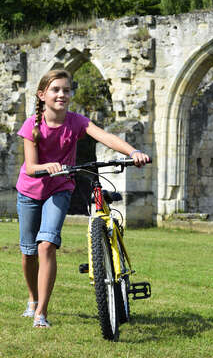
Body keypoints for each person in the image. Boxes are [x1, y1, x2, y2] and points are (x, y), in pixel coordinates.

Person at [16, 69, 150, 328]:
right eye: (55, 90)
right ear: (42, 95)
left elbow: (105, 136)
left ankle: (40, 313)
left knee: (46, 245)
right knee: (29, 252)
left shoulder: (76, 122)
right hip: (30, 192)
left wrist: (133, 152)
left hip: (60, 189)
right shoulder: (32, 125)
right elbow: (31, 168)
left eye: (66, 90)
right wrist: (49, 166)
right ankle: (32, 299)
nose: (62, 95)